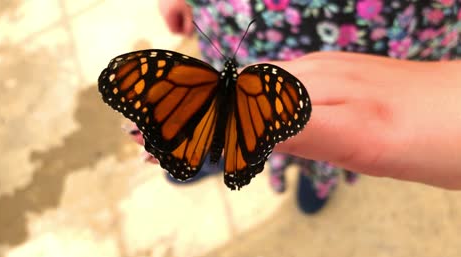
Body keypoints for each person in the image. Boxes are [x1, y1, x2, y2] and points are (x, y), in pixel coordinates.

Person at [128, 0, 461, 209]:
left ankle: (313, 175)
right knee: (233, 116)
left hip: (369, 28)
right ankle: (203, 151)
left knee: (332, 123)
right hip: (235, 16)